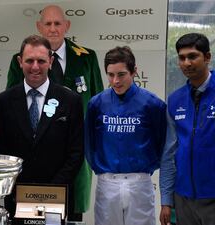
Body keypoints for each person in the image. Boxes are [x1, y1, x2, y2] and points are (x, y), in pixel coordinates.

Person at [6, 4, 103, 216]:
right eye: (47, 24)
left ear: (67, 26)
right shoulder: (21, 61)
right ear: (39, 27)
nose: (52, 29)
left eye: (57, 23)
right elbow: (12, 108)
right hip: (34, 156)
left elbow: (98, 104)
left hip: (74, 154)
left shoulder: (86, 57)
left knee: (72, 208)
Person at [0, 35, 84, 217]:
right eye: (29, 60)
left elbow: (76, 153)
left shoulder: (70, 100)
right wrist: (19, 188)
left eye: (41, 61)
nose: (35, 67)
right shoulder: (3, 101)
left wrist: (51, 191)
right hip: (17, 198)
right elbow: (2, 152)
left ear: (51, 61)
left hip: (58, 196)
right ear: (20, 62)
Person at [85, 46, 167, 225]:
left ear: (134, 71)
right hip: (107, 182)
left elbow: (162, 144)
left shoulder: (153, 104)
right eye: (110, 74)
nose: (115, 81)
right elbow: (89, 144)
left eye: (121, 74)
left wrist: (146, 167)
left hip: (140, 182)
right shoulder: (96, 104)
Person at [160, 33, 215, 225]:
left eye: (192, 56)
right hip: (184, 199)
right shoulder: (175, 100)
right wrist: (166, 199)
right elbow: (169, 153)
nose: (186, 63)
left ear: (207, 57)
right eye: (182, 58)